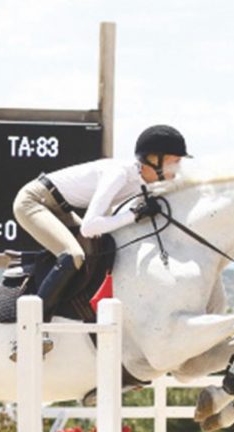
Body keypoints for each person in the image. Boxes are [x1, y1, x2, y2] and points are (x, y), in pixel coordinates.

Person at [12, 124, 190, 318]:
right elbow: (90, 227)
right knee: (73, 255)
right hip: (33, 201)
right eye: (175, 162)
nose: (178, 169)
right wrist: (134, 215)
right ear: (154, 159)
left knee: (99, 250)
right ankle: (32, 322)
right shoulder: (119, 173)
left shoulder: (141, 184)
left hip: (59, 207)